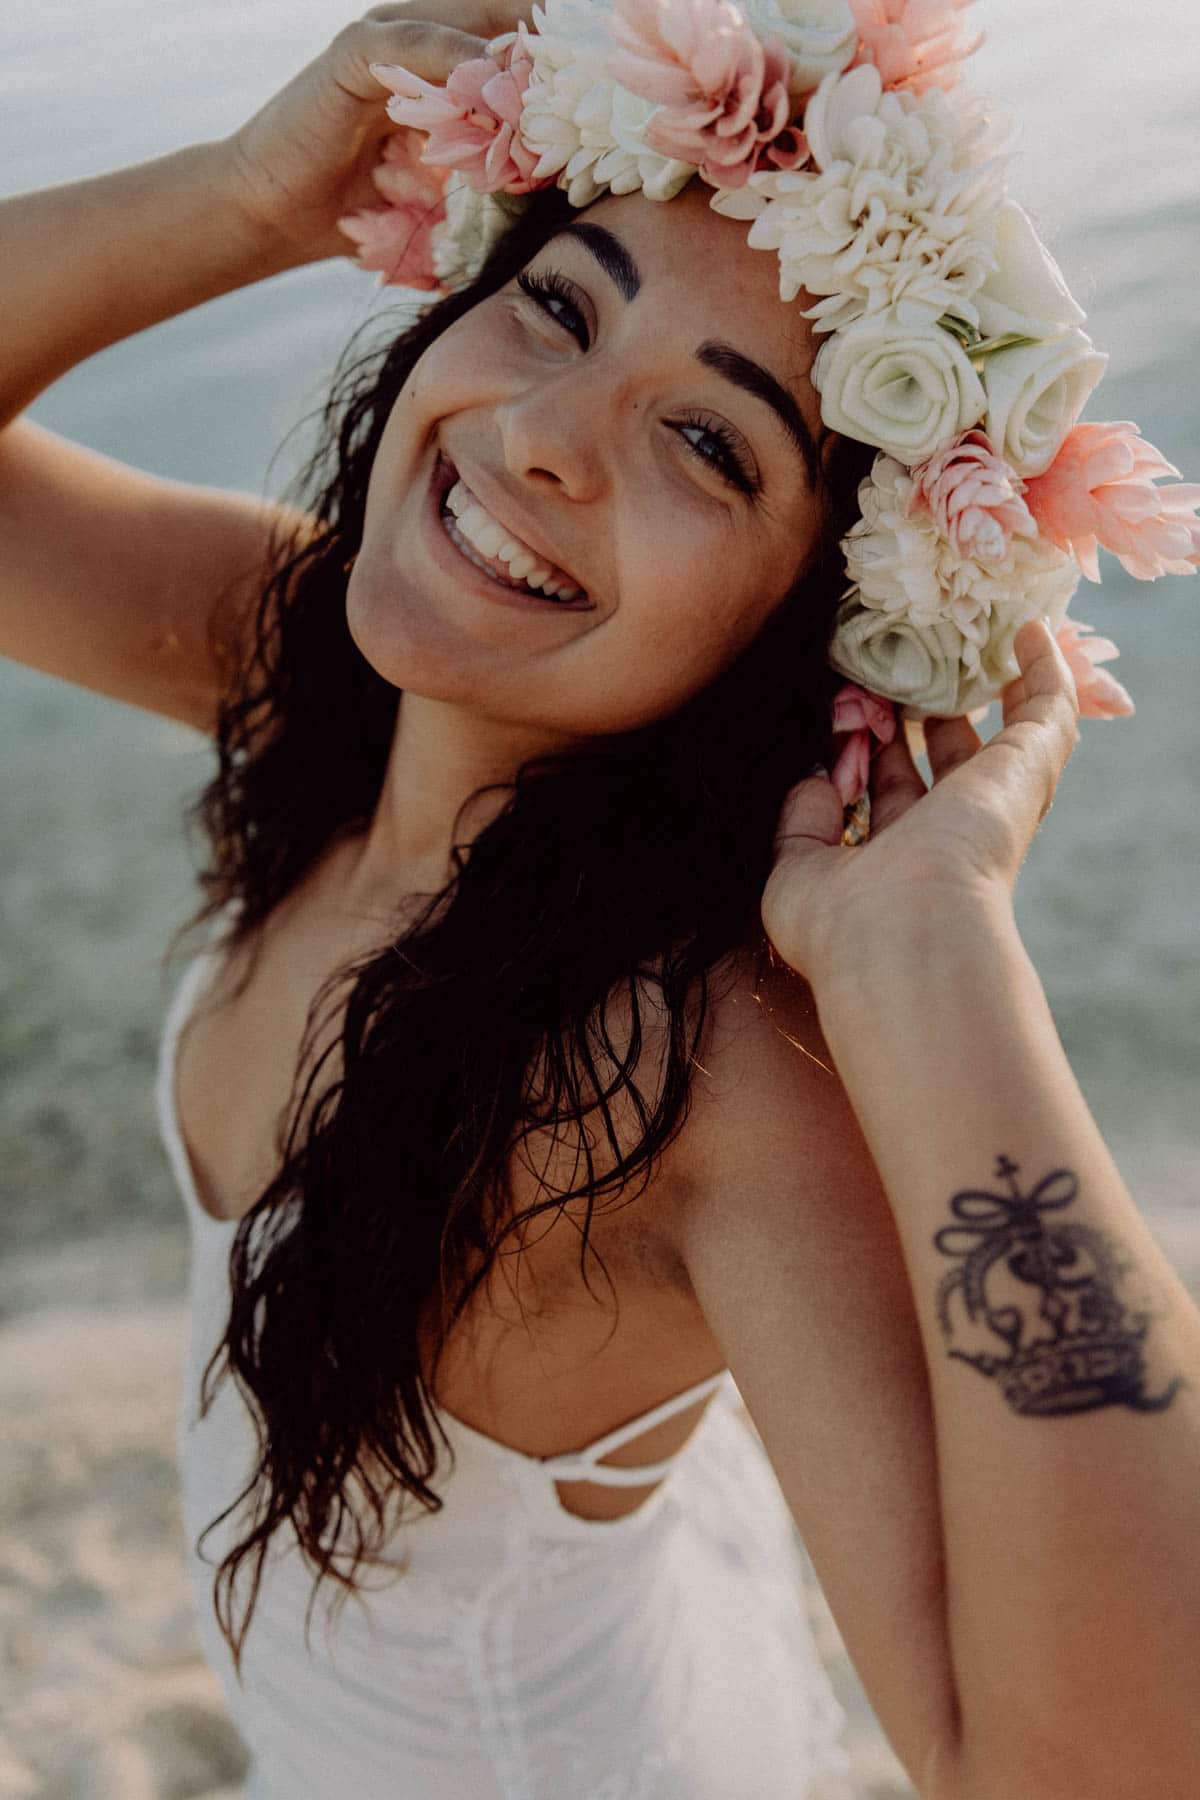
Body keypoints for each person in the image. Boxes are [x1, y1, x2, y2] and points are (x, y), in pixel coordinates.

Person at [4, 4, 1200, 1797]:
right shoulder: (328, 685)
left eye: (712, 448)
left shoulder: (693, 1078)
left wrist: (936, 947)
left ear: (806, 628)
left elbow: (1096, 1769)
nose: (546, 435)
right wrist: (246, 193)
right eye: (559, 302)